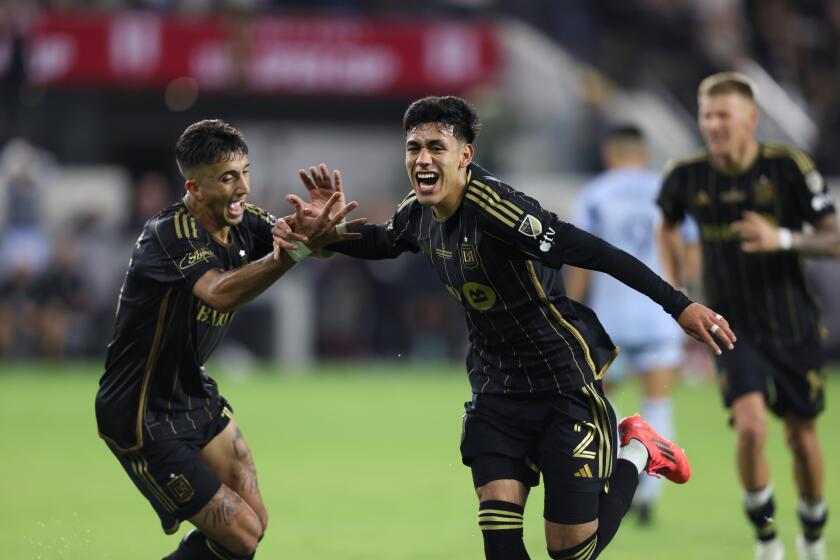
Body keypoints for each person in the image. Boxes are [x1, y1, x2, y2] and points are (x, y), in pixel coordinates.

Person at [277, 96, 735, 560]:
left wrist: (679, 305)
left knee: (571, 551)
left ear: (465, 156)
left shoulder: (502, 211)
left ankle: (637, 450)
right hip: (496, 388)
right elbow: (384, 240)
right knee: (500, 543)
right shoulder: (418, 212)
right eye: (413, 148)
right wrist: (327, 236)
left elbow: (594, 251)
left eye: (436, 147)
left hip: (561, 381)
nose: (422, 159)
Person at [95, 119, 362, 560]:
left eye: (245, 172)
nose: (243, 188)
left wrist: (320, 231)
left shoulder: (243, 221)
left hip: (192, 391)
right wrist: (294, 251)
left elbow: (303, 243)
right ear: (195, 188)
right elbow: (218, 293)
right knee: (238, 535)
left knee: (254, 523)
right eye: (227, 178)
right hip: (142, 408)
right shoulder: (169, 234)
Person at [657, 72, 837, 560]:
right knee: (752, 427)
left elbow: (835, 238)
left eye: (723, 116)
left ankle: (813, 536)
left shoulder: (787, 168)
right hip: (733, 328)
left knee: (801, 437)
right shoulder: (686, 176)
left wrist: (782, 238)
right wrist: (679, 291)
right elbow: (666, 225)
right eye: (706, 115)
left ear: (751, 120)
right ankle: (766, 539)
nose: (713, 125)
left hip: (795, 324)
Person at [565, 124, 700, 524]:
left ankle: (617, 475)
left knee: (599, 400)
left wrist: (570, 309)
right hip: (659, 313)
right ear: (643, 153)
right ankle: (648, 495)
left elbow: (580, 256)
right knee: (658, 401)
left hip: (610, 318)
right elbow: (688, 247)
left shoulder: (595, 194)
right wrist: (685, 294)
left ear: (611, 153)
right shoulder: (667, 191)